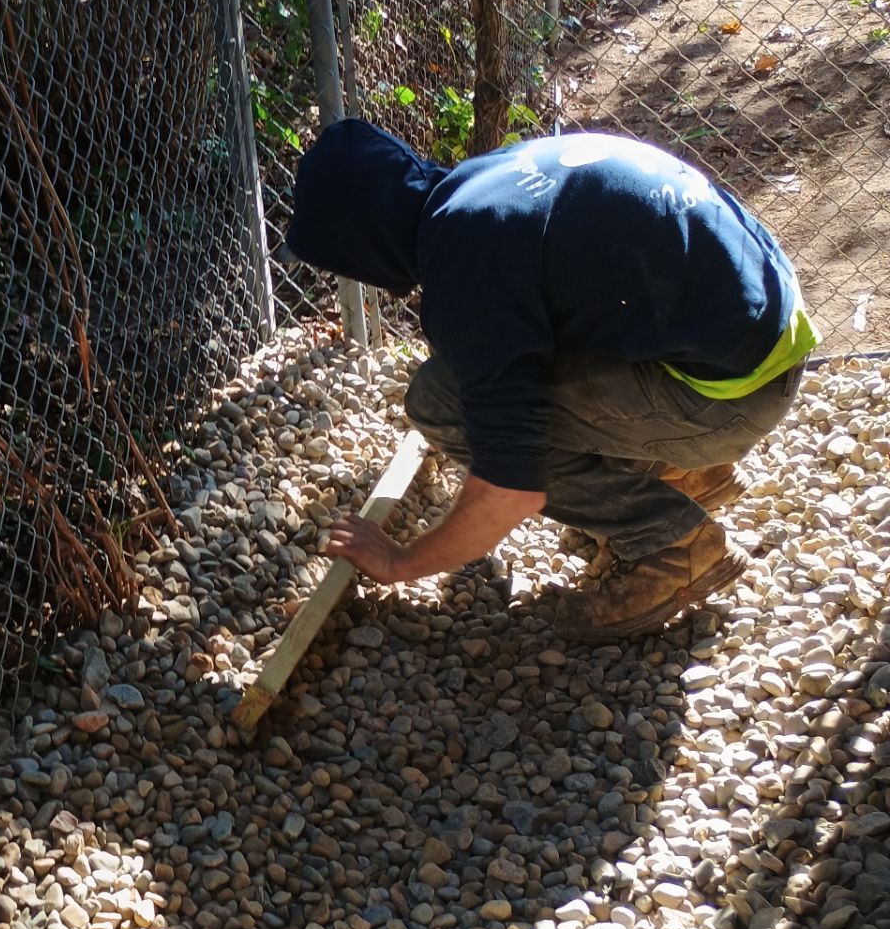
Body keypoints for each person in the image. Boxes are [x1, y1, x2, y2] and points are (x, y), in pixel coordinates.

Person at [285, 121, 816, 641]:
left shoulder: (468, 267)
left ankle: (675, 545)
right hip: (771, 331)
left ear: (362, 242)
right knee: (516, 361)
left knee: (441, 401)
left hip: (734, 395)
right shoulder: (483, 184)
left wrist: (399, 562)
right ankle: (680, 473)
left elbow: (509, 490)